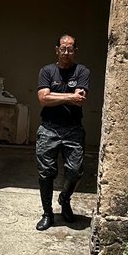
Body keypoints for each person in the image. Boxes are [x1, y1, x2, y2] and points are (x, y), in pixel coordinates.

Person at [35, 34, 90, 231]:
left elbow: (80, 99)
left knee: (75, 171)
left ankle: (65, 198)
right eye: (63, 48)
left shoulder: (82, 71)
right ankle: (47, 214)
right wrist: (69, 97)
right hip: (49, 128)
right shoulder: (47, 71)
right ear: (57, 50)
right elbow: (43, 99)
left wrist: (54, 96)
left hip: (73, 129)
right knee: (46, 173)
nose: (66, 52)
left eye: (70, 49)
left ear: (75, 51)